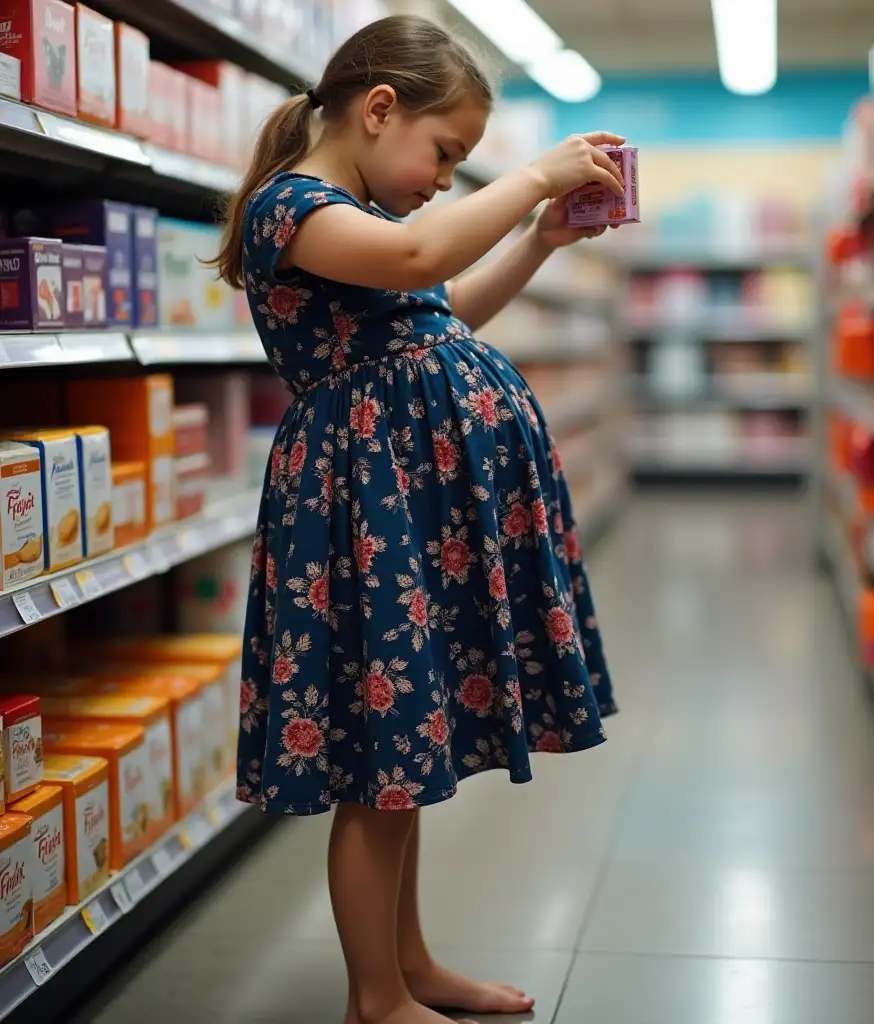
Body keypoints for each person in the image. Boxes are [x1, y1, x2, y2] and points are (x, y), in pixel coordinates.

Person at [215, 14, 620, 1024]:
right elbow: (412, 260)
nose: (446, 178)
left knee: (405, 753)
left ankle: (411, 966)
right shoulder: (295, 209)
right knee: (376, 760)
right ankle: (374, 997)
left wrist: (540, 237)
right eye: (445, 154)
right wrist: (528, 177)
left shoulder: (360, 219)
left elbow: (440, 308)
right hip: (365, 508)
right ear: (378, 107)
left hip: (408, 502)